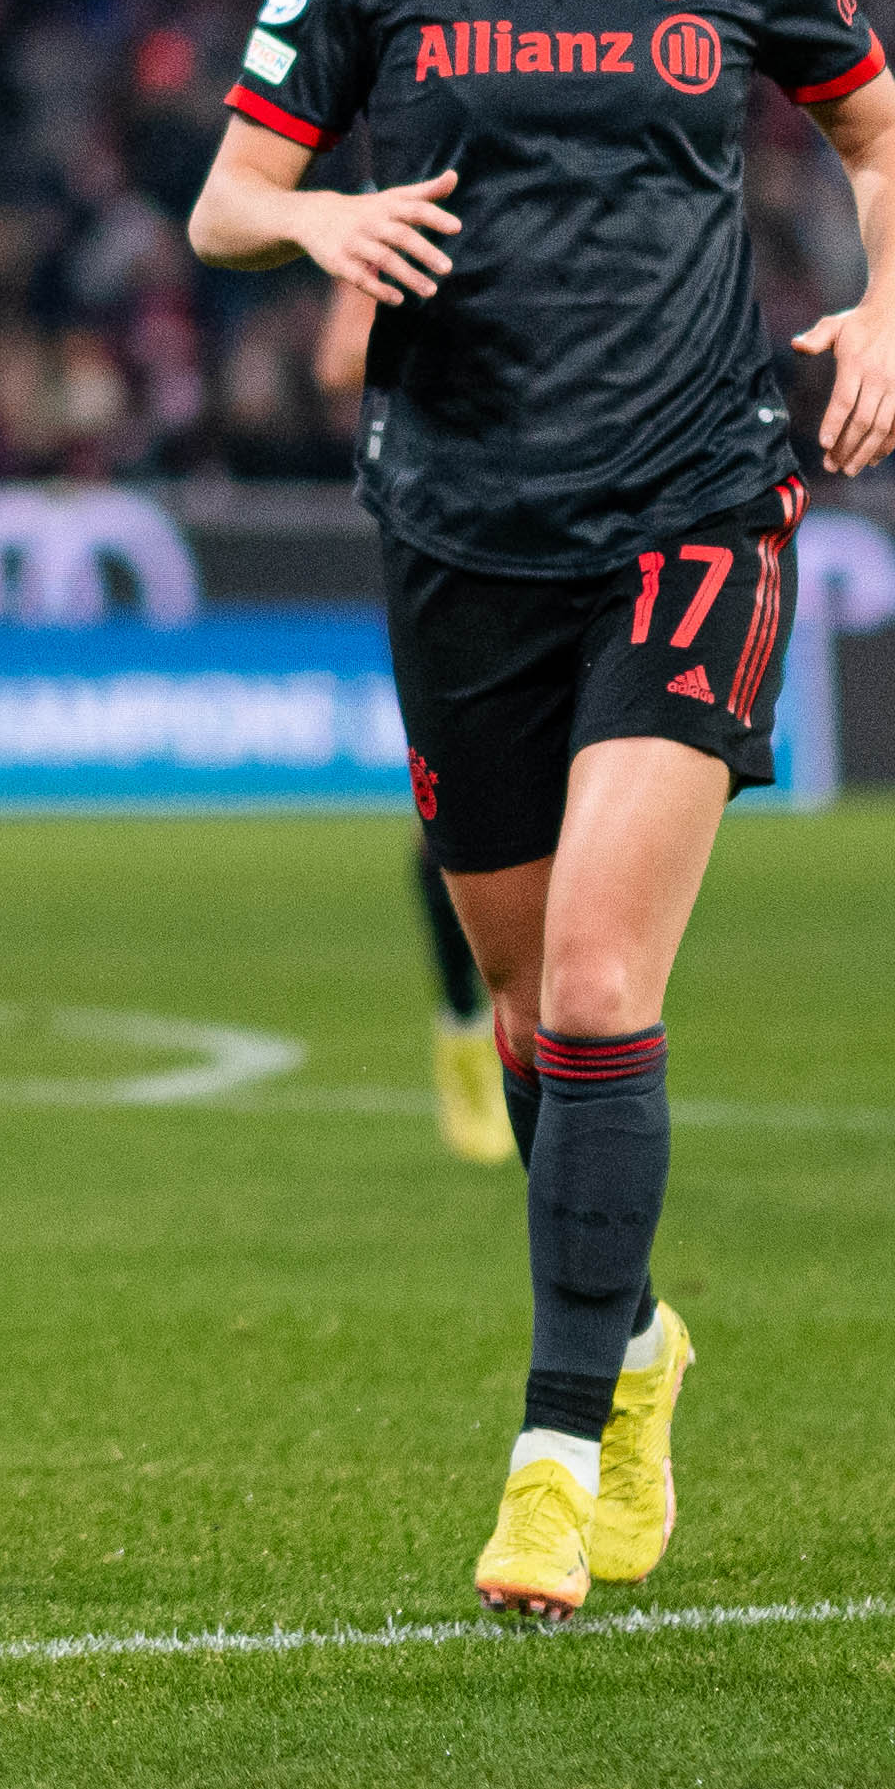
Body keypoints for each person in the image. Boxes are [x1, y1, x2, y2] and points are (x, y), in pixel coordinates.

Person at [189, 0, 895, 1624]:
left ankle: (551, 1450)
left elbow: (887, 148)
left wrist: (892, 315)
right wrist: (321, 209)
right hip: (457, 529)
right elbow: (225, 198)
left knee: (603, 988)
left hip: (698, 500)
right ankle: (640, 1337)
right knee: (526, 1011)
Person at [321, 271, 518, 1167]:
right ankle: (467, 1028)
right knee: (453, 814)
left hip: (586, 516)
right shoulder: (412, 201)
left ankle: (541, 1046)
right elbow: (337, 361)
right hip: (458, 532)